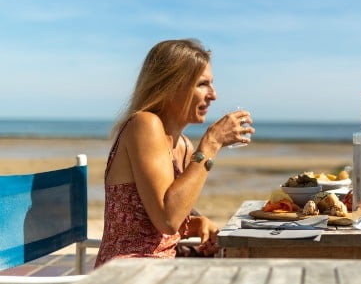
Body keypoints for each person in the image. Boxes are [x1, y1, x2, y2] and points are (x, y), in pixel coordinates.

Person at [95, 39, 254, 267]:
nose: (213, 95)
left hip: (163, 265)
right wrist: (211, 142)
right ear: (170, 87)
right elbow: (167, 219)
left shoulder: (183, 145)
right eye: (202, 84)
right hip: (126, 269)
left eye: (211, 84)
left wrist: (194, 224)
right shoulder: (144, 124)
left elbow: (164, 217)